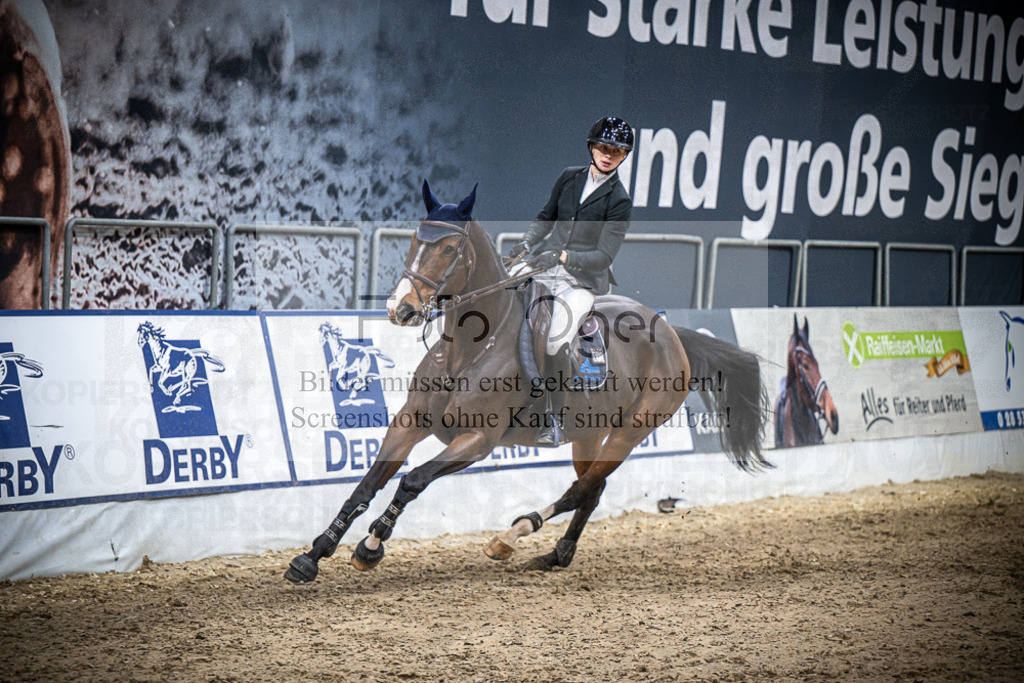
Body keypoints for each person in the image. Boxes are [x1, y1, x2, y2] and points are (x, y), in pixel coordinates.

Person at [508, 116, 634, 446]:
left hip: (581, 281)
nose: (608, 155)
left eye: (617, 152)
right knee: (502, 290)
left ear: (624, 156)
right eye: (604, 148)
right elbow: (545, 217)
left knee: (555, 340)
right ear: (592, 147)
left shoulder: (619, 200)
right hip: (543, 264)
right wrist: (526, 243)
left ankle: (555, 417)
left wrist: (564, 256)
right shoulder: (569, 177)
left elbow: (604, 256)